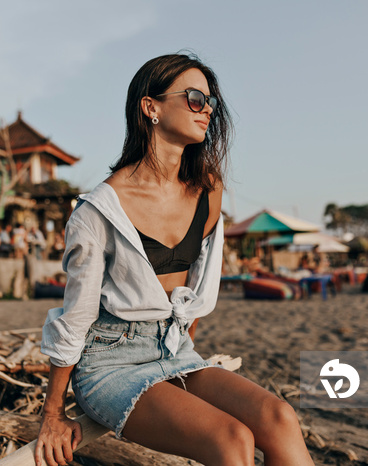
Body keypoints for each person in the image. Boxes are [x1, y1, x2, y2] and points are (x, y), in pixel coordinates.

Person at [36, 54, 313, 466]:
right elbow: (76, 318)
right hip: (110, 362)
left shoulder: (208, 189)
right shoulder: (98, 211)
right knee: (231, 439)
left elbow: (196, 285)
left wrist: (182, 343)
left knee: (279, 418)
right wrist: (52, 413)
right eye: (196, 99)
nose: (208, 111)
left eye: (211, 102)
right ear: (151, 107)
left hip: (175, 349)